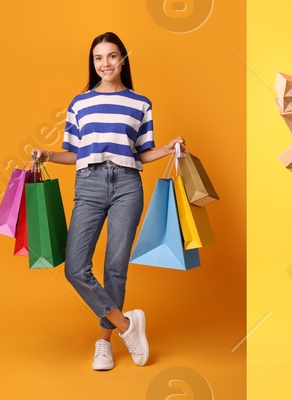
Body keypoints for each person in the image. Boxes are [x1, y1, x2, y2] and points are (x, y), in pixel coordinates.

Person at [30, 32, 185, 371]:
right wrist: (47, 154)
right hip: (89, 184)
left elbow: (143, 153)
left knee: (115, 266)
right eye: (99, 58)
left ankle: (104, 341)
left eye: (112, 56)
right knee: (75, 267)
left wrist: (170, 147)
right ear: (93, 63)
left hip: (129, 184)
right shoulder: (79, 103)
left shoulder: (140, 103)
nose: (105, 64)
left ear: (123, 60)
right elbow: (74, 153)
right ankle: (127, 324)